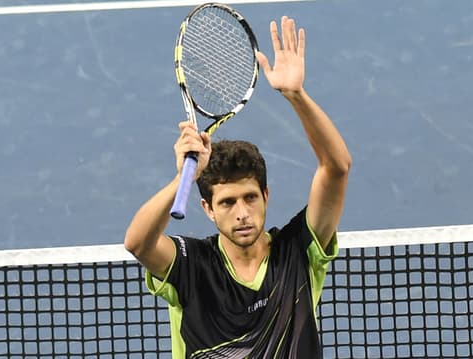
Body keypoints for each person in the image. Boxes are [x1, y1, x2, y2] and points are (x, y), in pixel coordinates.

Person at [124, 15, 351, 359]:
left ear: (266, 196)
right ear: (208, 209)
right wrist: (180, 179)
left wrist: (296, 96)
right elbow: (138, 243)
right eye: (228, 203)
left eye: (249, 198)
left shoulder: (299, 253)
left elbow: (336, 168)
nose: (243, 213)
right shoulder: (192, 267)